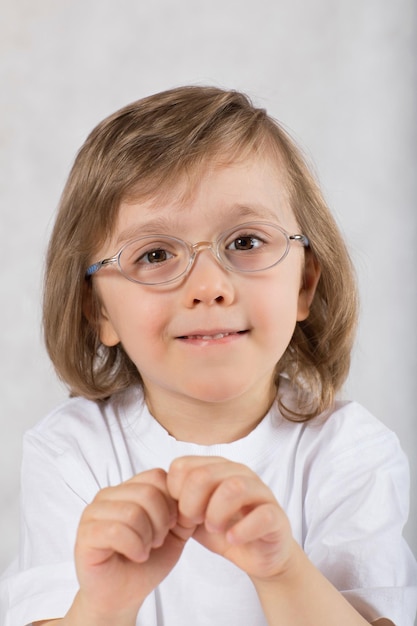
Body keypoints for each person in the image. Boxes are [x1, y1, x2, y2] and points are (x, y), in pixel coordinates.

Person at [1, 86, 416, 626]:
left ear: (304, 284)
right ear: (97, 310)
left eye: (245, 242)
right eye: (154, 254)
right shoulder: (71, 452)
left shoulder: (350, 452)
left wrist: (282, 569)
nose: (209, 287)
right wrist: (105, 604)